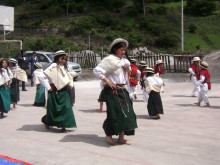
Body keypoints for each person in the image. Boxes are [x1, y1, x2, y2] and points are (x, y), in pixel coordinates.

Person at [93, 38, 137, 145]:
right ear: (115, 49)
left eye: (124, 50)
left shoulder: (124, 62)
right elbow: (96, 71)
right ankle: (109, 135)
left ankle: (121, 137)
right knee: (115, 114)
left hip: (123, 90)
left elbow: (126, 77)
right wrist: (107, 81)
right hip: (113, 91)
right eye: (121, 50)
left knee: (127, 113)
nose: (124, 52)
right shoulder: (109, 60)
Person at [42, 50, 77, 132]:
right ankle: (47, 121)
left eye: (65, 59)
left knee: (66, 108)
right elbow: (42, 76)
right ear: (57, 58)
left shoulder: (65, 67)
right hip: (54, 92)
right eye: (62, 59)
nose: (64, 61)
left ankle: (63, 126)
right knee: (55, 110)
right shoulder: (52, 67)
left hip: (64, 92)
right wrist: (48, 87)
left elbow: (69, 77)